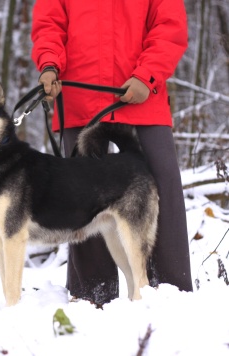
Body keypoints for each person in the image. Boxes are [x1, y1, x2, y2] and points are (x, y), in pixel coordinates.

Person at [31, 0, 193, 305]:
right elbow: (49, 23)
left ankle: (171, 293)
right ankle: (92, 295)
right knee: (80, 193)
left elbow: (169, 26)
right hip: (80, 94)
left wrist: (148, 75)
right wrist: (49, 64)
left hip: (143, 93)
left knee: (164, 182)